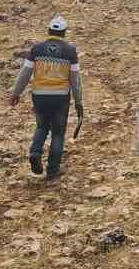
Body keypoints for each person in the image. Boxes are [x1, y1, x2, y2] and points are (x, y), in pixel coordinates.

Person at [8, 16, 85, 181]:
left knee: (41, 127)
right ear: (64, 33)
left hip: (40, 96)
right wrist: (78, 101)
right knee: (58, 133)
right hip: (60, 98)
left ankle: (35, 152)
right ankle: (53, 170)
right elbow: (75, 79)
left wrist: (16, 93)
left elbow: (24, 74)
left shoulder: (36, 50)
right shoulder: (70, 52)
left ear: (49, 31)